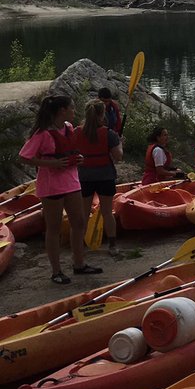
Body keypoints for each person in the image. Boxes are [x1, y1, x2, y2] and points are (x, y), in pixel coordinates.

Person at [19, 94, 102, 284]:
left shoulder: (69, 128)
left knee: (79, 222)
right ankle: (56, 271)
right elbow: (24, 156)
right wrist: (51, 163)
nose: (74, 111)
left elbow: (70, 150)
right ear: (62, 110)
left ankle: (79, 264)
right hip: (51, 186)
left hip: (71, 181)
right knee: (54, 227)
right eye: (72, 108)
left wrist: (78, 158)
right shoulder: (42, 133)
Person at [75, 97, 124, 256]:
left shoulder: (76, 132)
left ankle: (79, 245)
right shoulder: (109, 134)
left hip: (83, 177)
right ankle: (112, 246)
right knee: (107, 212)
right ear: (102, 115)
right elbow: (118, 156)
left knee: (83, 213)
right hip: (105, 176)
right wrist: (120, 142)